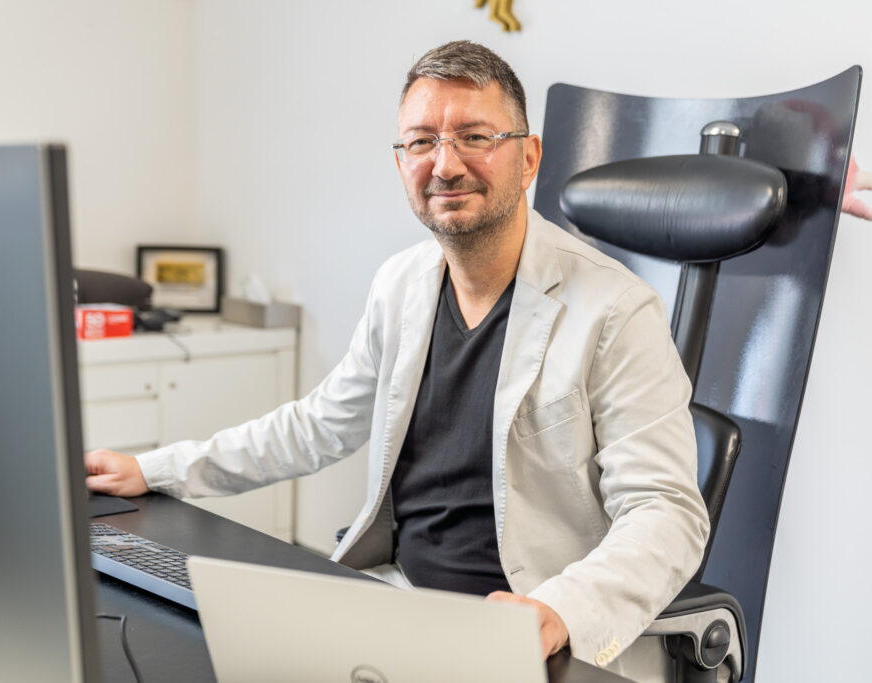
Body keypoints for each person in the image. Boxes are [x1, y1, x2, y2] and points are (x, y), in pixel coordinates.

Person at [85, 40, 709, 670]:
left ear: (528, 158)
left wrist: (558, 611)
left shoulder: (616, 311)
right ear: (401, 161)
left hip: (525, 637)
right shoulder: (401, 284)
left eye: (474, 136)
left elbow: (667, 513)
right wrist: (156, 469)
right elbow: (319, 425)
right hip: (400, 605)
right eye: (421, 141)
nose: (445, 164)